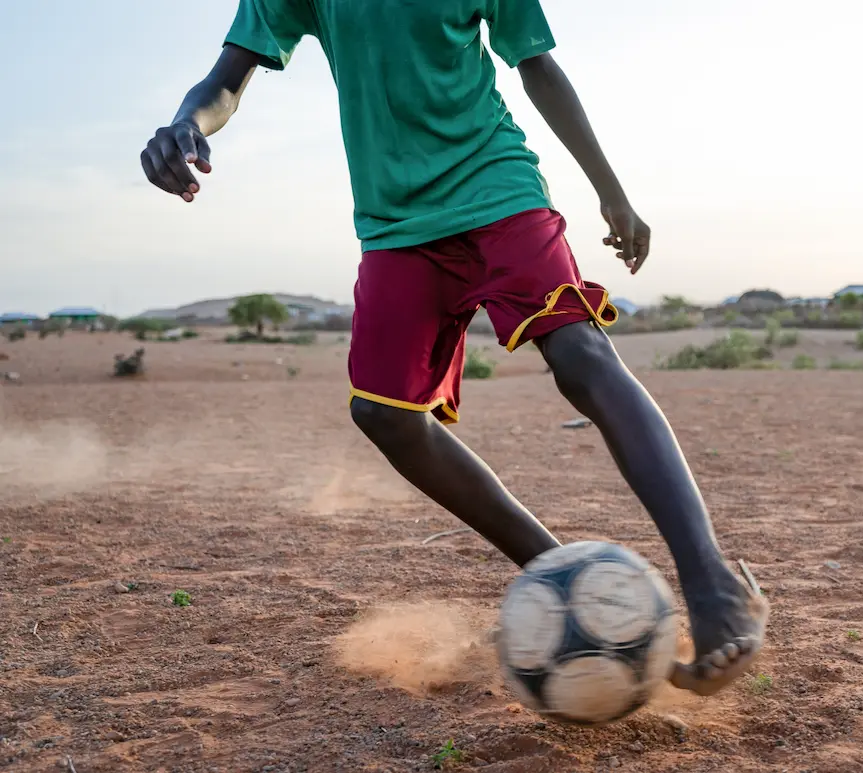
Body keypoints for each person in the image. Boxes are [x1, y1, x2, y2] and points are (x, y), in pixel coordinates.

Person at [141, 0, 766, 696]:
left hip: (495, 184)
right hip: (395, 218)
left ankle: (711, 583)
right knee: (384, 414)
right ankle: (565, 578)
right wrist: (185, 124)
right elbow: (228, 77)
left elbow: (537, 66)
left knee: (580, 356)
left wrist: (610, 193)